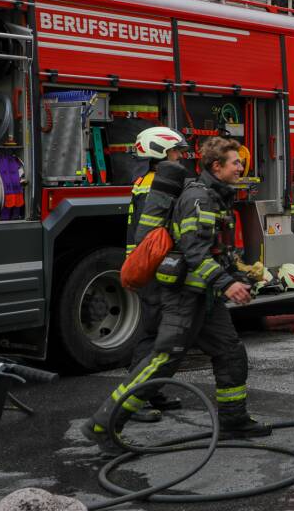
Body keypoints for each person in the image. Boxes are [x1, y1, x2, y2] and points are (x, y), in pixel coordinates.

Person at [86, 137, 269, 455]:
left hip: (204, 295)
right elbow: (193, 249)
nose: (241, 166)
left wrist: (240, 273)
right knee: (163, 360)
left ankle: (233, 420)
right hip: (184, 295)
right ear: (216, 167)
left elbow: (216, 249)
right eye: (235, 162)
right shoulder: (198, 198)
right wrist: (227, 284)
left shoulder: (216, 196)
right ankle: (103, 424)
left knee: (230, 352)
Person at [122, 127, 190, 424]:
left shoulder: (146, 181)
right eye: (176, 151)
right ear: (160, 152)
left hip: (149, 264)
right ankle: (132, 399)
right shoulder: (157, 185)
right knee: (152, 334)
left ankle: (150, 391)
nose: (180, 156)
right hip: (152, 266)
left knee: (160, 331)